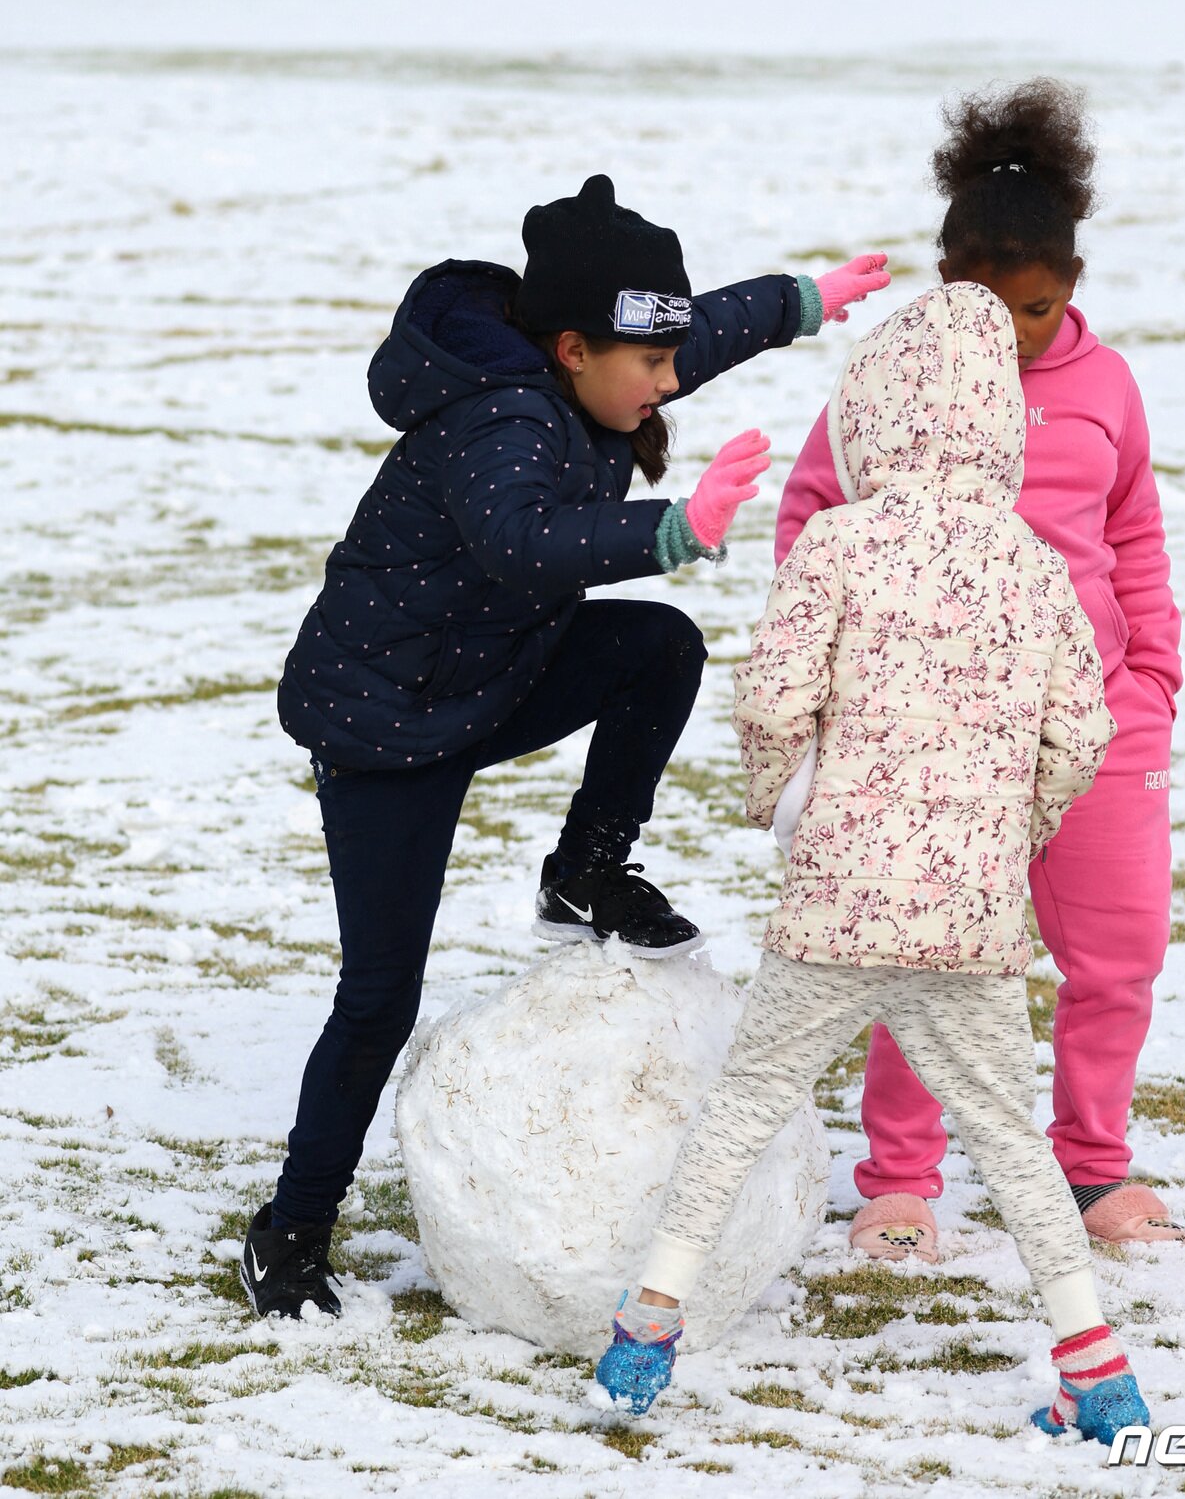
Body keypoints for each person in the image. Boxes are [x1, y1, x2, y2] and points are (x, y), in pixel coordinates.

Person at [242, 173, 889, 1319]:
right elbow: (521, 540)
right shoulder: (499, 414)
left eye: (667, 361)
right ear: (572, 349)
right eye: (649, 364)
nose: (667, 383)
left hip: (489, 674)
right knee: (379, 996)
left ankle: (584, 872)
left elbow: (696, 335)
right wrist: (673, 528)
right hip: (386, 726)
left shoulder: (599, 372)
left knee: (657, 648)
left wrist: (801, 300)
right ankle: (290, 1229)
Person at [593, 285, 1150, 1447]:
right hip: (968, 910)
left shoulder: (839, 543)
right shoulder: (1029, 561)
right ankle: (1095, 1370)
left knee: (747, 1103)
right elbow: (1080, 730)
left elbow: (773, 696)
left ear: (873, 414)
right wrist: (1014, 831)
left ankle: (645, 1330)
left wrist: (786, 806)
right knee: (1007, 1136)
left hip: (837, 899)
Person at [777, 81, 1185, 1258]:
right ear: (943, 277)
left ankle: (1090, 1166)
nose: (1009, 335)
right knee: (927, 948)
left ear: (1072, 284)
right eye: (984, 305)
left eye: (1037, 309)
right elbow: (809, 517)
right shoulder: (887, 383)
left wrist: (1150, 679)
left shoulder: (1105, 387)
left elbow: (1134, 532)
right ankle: (899, 1183)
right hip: (933, 729)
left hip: (1097, 719)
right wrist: (854, 668)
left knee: (1118, 955)